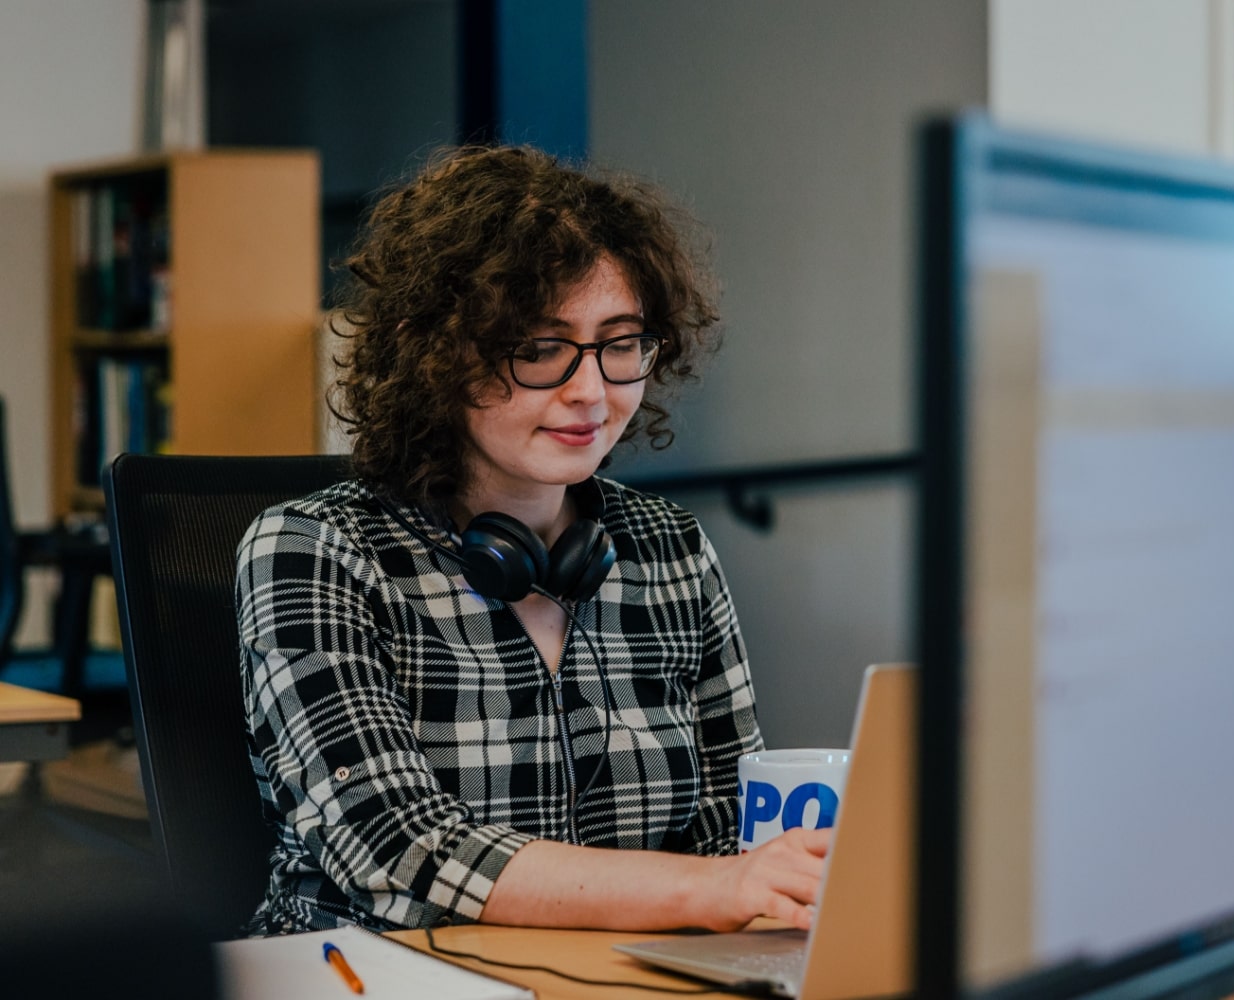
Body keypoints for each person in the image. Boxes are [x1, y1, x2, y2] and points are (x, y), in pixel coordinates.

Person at [236, 146, 827, 936]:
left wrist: (783, 885)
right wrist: (705, 891)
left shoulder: (668, 547)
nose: (591, 390)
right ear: (435, 356)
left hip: (622, 981)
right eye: (540, 349)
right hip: (381, 978)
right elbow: (394, 846)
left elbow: (728, 822)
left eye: (620, 343)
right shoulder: (315, 549)